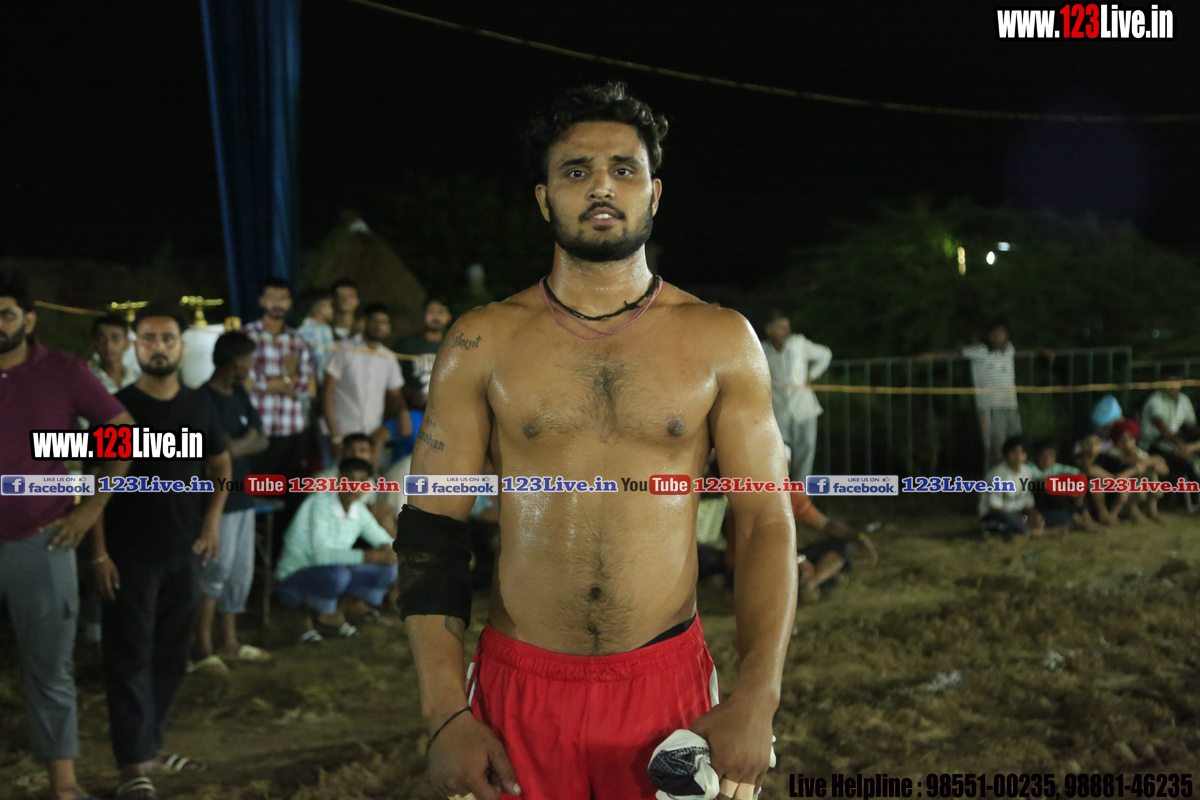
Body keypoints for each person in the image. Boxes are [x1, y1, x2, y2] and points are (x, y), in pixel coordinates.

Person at [399, 83, 795, 800]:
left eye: (624, 169)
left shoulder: (721, 339)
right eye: (576, 171)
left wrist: (758, 696)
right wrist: (444, 714)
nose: (601, 187)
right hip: (519, 689)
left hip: (667, 689)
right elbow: (432, 525)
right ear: (544, 198)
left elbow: (765, 519)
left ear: (655, 192)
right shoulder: (482, 340)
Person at [0, 270, 133, 800]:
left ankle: (64, 786)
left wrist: (90, 507)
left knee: (50, 669)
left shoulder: (64, 372)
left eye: (5, 314)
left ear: (28, 320)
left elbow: (125, 435)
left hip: (41, 539)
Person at [90, 304, 231, 800]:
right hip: (129, 554)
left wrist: (211, 521)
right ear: (136, 346)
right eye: (148, 338)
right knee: (129, 656)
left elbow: (221, 465)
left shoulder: (199, 406)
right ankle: (132, 765)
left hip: (183, 550)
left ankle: (151, 748)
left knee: (172, 653)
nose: (158, 347)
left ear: (180, 346)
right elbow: (96, 486)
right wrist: (98, 553)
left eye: (167, 338)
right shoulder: (117, 408)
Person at [192, 331, 271, 672]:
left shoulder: (239, 394)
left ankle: (229, 641)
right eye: (248, 359)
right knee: (214, 569)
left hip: (243, 496)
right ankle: (201, 647)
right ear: (234, 361)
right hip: (215, 500)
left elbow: (261, 438)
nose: (252, 365)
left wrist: (229, 449)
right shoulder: (201, 400)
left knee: (239, 571)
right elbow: (205, 450)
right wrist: (237, 445)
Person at [274, 457, 398, 643]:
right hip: (294, 576)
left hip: (331, 572)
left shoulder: (357, 509)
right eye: (349, 479)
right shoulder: (319, 504)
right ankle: (309, 619)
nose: (354, 486)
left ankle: (332, 615)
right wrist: (373, 555)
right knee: (339, 575)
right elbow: (322, 556)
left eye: (361, 481)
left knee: (389, 570)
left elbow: (383, 540)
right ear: (339, 479)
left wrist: (391, 551)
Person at [923, 318, 1053, 471]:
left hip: (1010, 405)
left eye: (1002, 333)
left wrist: (1040, 350)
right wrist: (930, 356)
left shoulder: (1009, 349)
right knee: (995, 449)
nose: (999, 337)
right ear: (989, 335)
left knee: (1017, 445)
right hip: (990, 407)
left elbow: (1024, 350)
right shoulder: (979, 351)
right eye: (995, 334)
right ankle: (993, 482)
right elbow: (955, 353)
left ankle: (1015, 480)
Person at [244, 278, 315, 533]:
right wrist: (285, 382)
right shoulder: (246, 336)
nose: (277, 303)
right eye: (272, 298)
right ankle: (257, 554)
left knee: (292, 501)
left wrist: (267, 382)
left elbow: (310, 388)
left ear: (289, 303)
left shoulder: (298, 340)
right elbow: (244, 383)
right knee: (255, 498)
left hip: (292, 435)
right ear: (262, 301)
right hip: (257, 436)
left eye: (282, 298)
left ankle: (284, 552)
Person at [322, 302, 412, 469]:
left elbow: (395, 393)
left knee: (366, 482)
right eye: (375, 321)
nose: (379, 326)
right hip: (341, 434)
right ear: (364, 322)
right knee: (334, 480)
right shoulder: (344, 349)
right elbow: (327, 392)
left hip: (370, 438)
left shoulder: (388, 357)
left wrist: (403, 412)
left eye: (384, 322)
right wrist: (335, 436)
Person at [761, 310, 832, 481]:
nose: (786, 330)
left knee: (805, 451)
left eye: (787, 326)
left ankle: (801, 492)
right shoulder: (762, 349)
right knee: (779, 452)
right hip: (777, 409)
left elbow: (825, 354)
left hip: (803, 408)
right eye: (780, 327)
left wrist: (811, 375)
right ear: (769, 330)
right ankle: (779, 491)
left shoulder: (799, 344)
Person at [310, 432, 400, 534]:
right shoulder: (322, 479)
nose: (356, 455)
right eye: (351, 451)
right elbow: (320, 511)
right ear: (342, 453)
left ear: (371, 456)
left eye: (362, 451)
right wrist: (368, 510)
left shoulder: (370, 481)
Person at [978, 436, 1051, 536]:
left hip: (1019, 514)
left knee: (1055, 516)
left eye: (1022, 452)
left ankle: (1031, 530)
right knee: (1010, 521)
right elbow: (994, 508)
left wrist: (1036, 516)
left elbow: (1028, 503)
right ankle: (1038, 532)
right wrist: (1020, 519)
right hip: (998, 516)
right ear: (1006, 454)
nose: (1018, 456)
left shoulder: (1027, 471)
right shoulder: (998, 474)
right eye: (1014, 452)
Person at [1139, 367, 1200, 484]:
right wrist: (1181, 445)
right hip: (1152, 445)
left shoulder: (1184, 400)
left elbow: (1191, 426)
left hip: (1173, 442)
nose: (1172, 385)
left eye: (1176, 381)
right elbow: (1163, 431)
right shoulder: (1155, 401)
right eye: (1169, 381)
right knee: (1189, 463)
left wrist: (1191, 444)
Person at [1029, 439, 1100, 532]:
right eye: (1043, 456)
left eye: (1051, 456)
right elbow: (1040, 484)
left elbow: (1080, 474)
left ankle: (1087, 518)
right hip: (1039, 502)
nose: (1047, 460)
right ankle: (1078, 520)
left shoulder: (1055, 467)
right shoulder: (1030, 468)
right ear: (1036, 456)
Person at [399, 296, 452, 412]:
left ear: (449, 317)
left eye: (440, 312)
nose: (435, 316)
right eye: (431, 311)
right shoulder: (408, 344)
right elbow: (392, 381)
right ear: (423, 314)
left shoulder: (454, 347)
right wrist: (411, 395)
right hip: (413, 412)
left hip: (445, 413)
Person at [1109, 420, 1167, 524]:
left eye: (1130, 439)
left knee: (1151, 473)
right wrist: (1151, 460)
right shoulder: (1113, 453)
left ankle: (1152, 510)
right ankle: (1133, 512)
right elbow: (1132, 463)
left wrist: (1154, 461)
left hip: (1132, 481)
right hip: (1115, 485)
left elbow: (1162, 468)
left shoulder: (1137, 452)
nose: (1127, 443)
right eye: (1123, 440)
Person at [89, 313, 141, 393]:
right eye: (102, 339)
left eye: (115, 338)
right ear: (94, 343)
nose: (108, 345)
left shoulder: (137, 379)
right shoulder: (88, 379)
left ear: (127, 343)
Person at [297, 289, 336, 380]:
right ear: (320, 308)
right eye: (330, 306)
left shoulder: (300, 330)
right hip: (317, 380)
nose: (333, 310)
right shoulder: (322, 330)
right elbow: (321, 358)